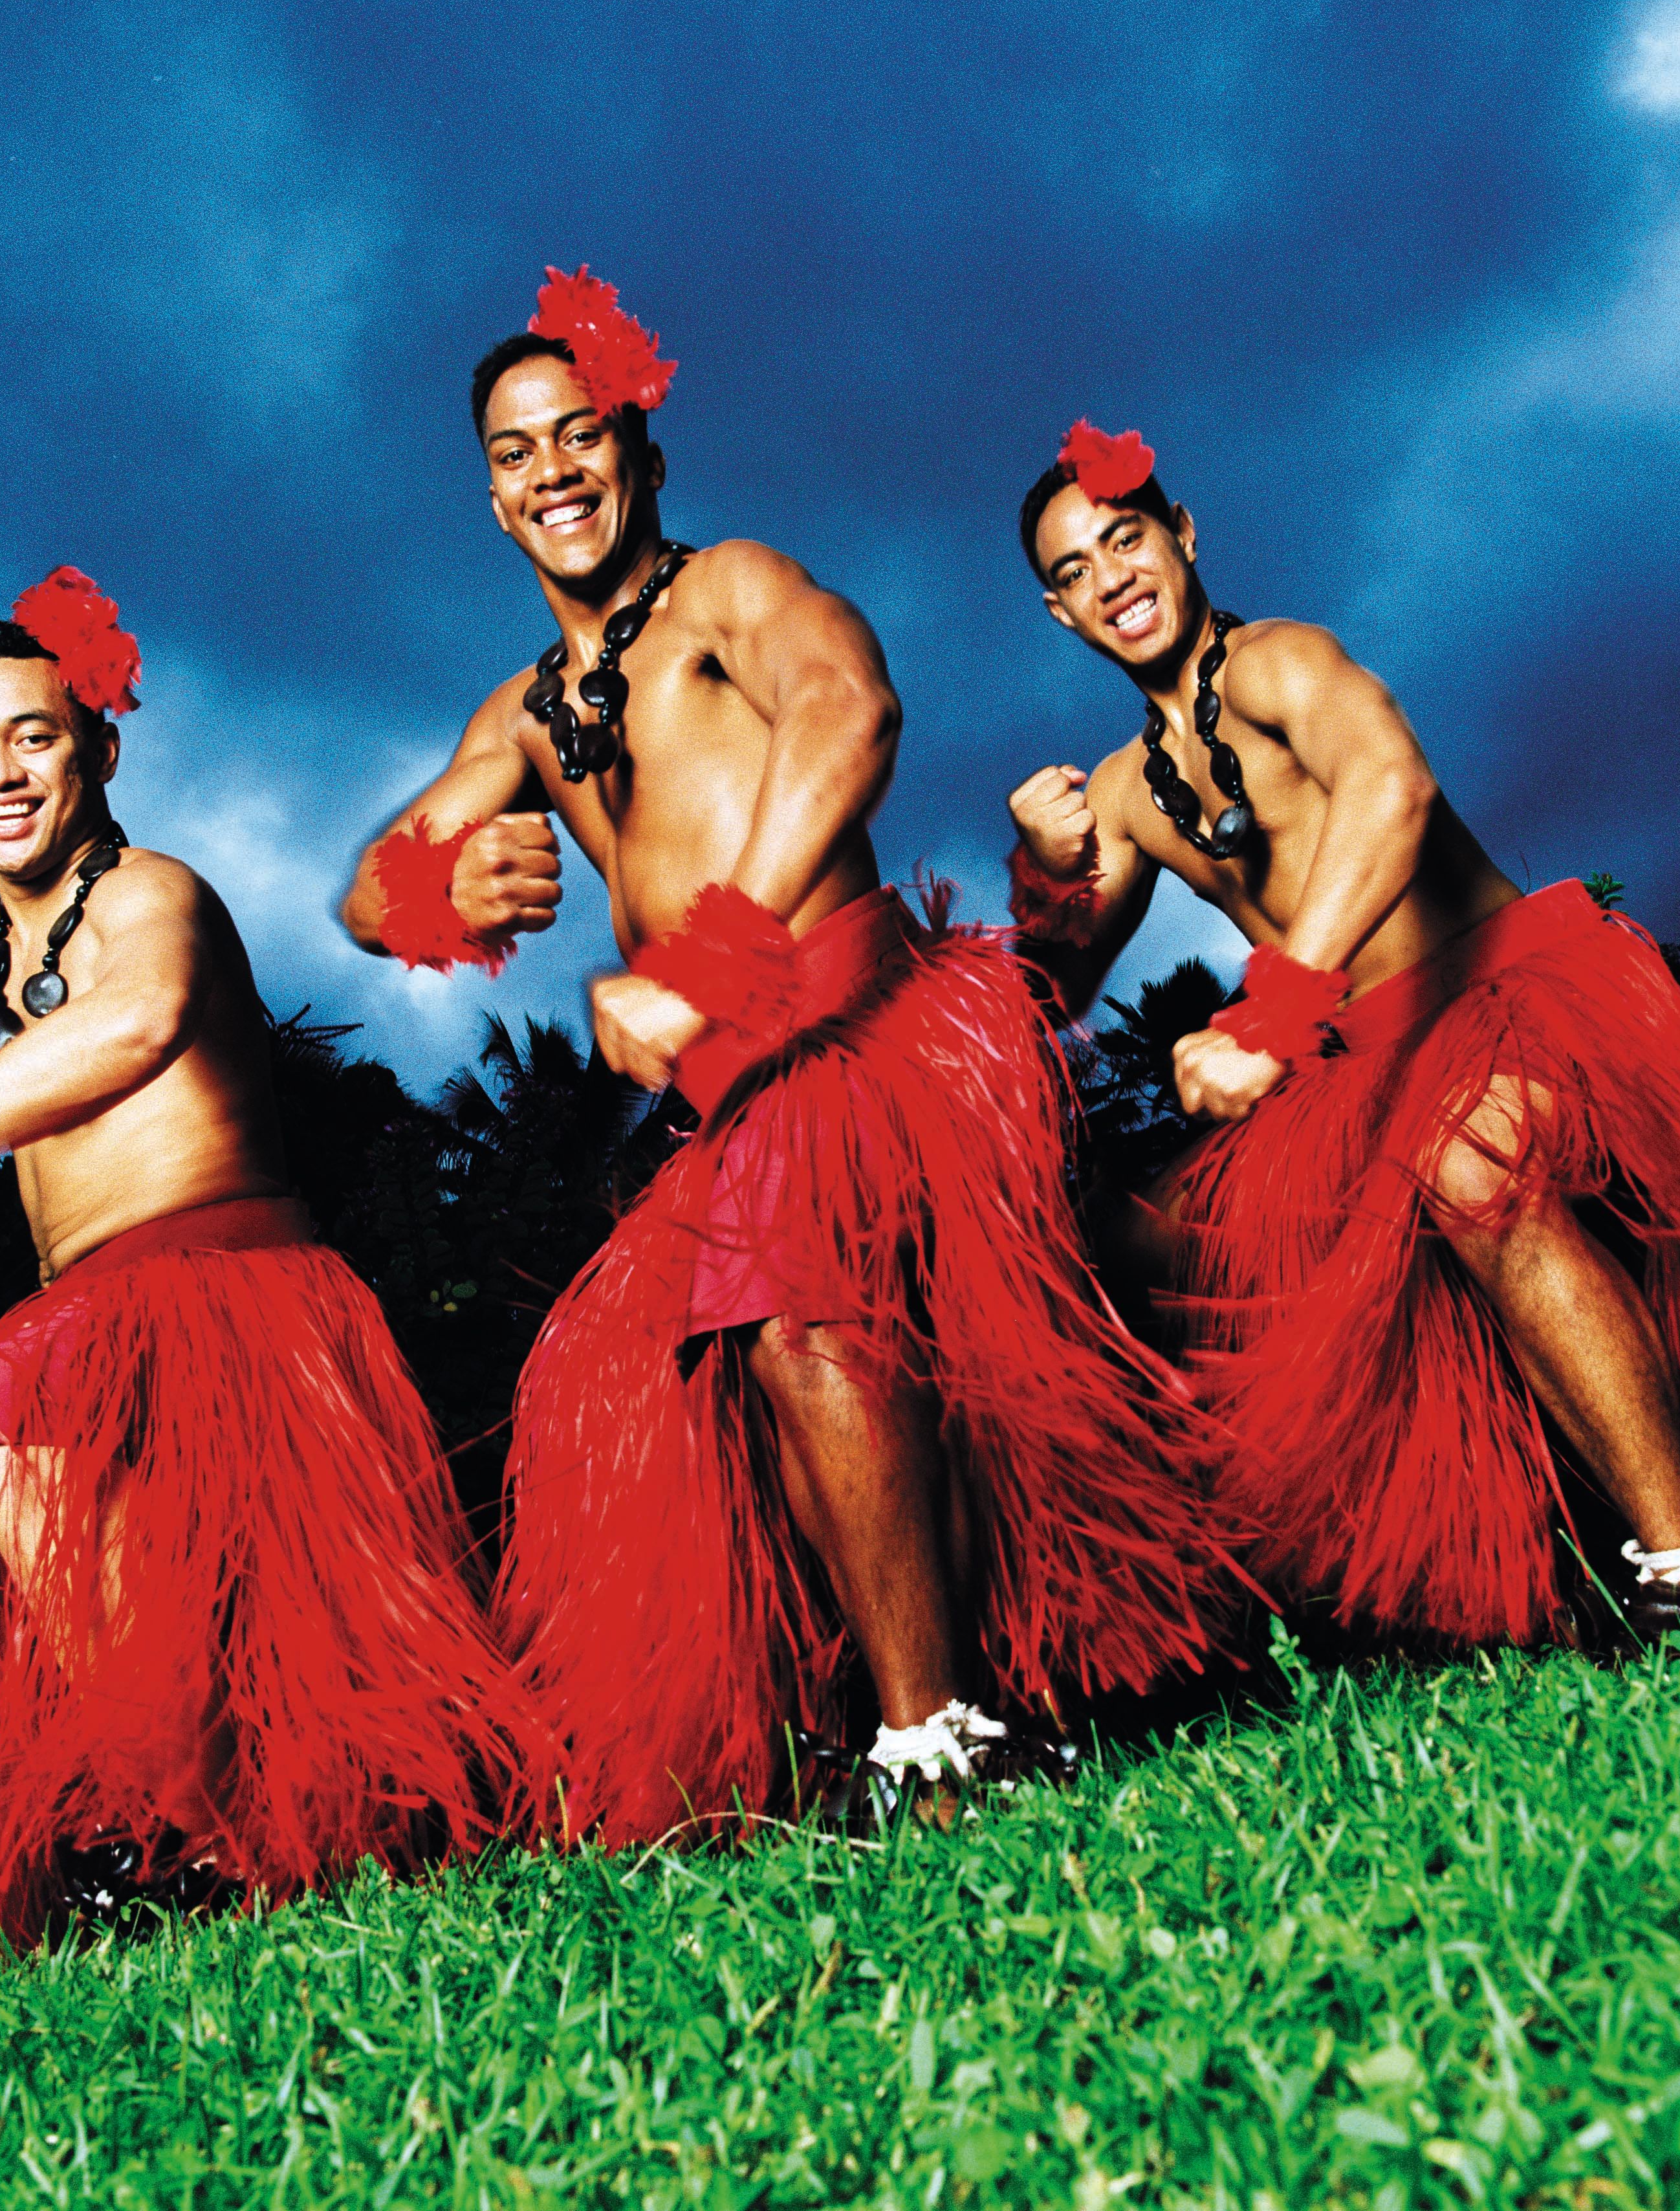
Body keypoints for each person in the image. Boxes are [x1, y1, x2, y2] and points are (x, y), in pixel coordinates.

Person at [342, 272, 1239, 1836]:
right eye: (514, 450)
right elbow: (365, 888)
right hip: (733, 1098)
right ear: (488, 498)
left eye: (581, 433)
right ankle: (912, 1710)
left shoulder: (732, 590)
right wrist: (430, 894)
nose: (551, 468)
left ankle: (942, 1742)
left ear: (641, 451)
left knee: (824, 1294)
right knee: (676, 1390)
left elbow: (850, 710)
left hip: (865, 1028)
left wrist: (702, 961)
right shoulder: (526, 711)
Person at [1001, 421, 1680, 1663]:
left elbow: (1389, 788)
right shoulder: (1127, 792)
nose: (1110, 578)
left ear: (1181, 536)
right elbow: (1054, 988)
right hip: (1360, 1062)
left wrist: (1276, 1008)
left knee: (1471, 1167)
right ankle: (1421, 1586)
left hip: (1514, 995)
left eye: (1124, 539)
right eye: (1075, 570)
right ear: (1060, 614)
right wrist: (1046, 868)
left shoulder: (1282, 662)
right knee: (1167, 1244)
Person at [0, 567, 551, 1995]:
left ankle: (200, 1832)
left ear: (99, 749)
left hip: (236, 1293)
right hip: (100, 1317)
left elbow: (130, 1026)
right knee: (135, 1559)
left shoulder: (157, 897)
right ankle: (214, 1833)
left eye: (31, 735)